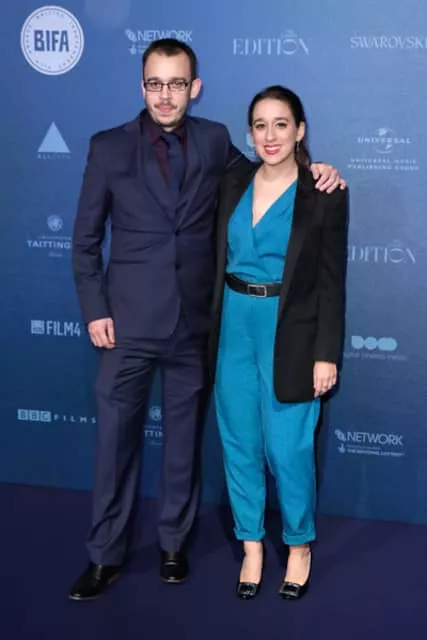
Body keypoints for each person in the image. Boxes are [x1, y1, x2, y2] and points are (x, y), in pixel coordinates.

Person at [70, 38, 344, 601]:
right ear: (142, 86)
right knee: (115, 445)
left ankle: (174, 545)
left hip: (197, 326)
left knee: (183, 447)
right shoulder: (107, 147)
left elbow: (274, 174)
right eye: (155, 83)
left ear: (194, 88)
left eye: (177, 83)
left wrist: (317, 168)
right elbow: (85, 240)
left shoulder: (216, 141)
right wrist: (95, 309)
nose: (165, 95)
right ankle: (104, 556)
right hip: (126, 326)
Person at [209, 85, 348, 600]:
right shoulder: (231, 181)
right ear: (250, 133)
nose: (270, 135)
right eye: (260, 125)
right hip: (233, 326)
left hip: (291, 331)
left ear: (300, 130)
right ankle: (251, 545)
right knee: (239, 443)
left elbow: (332, 281)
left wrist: (326, 353)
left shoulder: (324, 191)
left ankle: (298, 545)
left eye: (281, 124)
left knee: (288, 449)